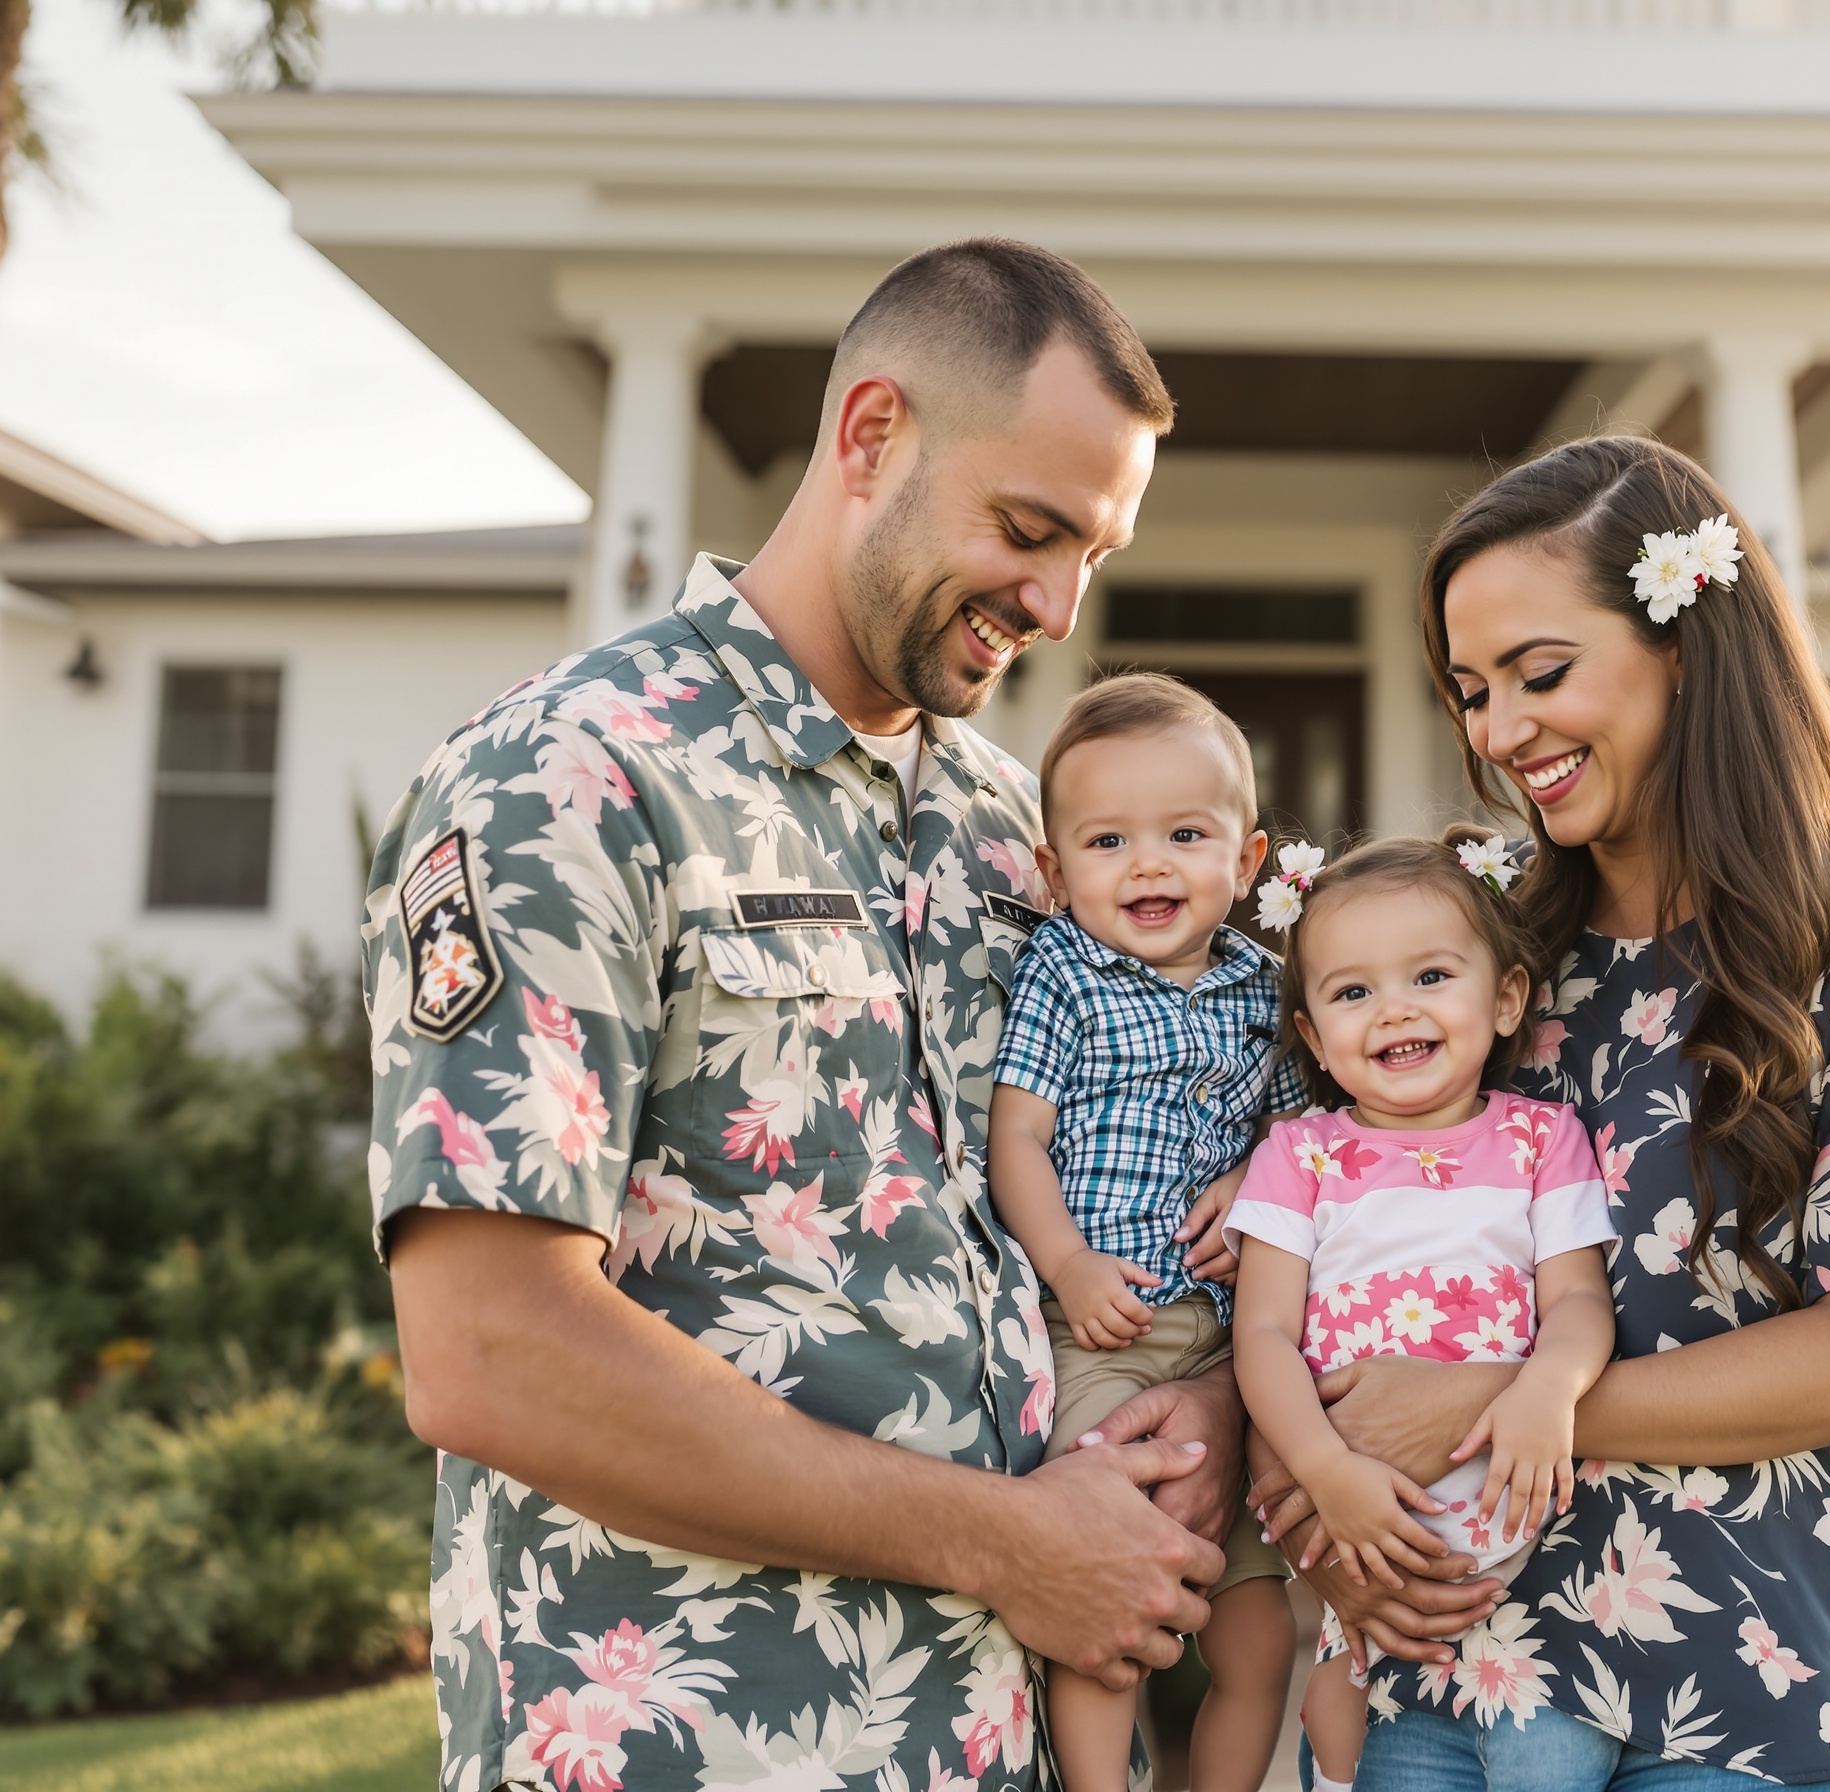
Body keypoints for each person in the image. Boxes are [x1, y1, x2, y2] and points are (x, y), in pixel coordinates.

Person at [367, 239, 1246, 1792]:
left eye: (1093, 557)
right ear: (870, 437)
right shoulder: (569, 777)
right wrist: (1004, 1545)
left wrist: (1209, 1409)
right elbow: (488, 1348)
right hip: (686, 1747)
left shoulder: (1014, 834)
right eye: (1031, 529)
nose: (1055, 605)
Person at [1247, 436, 1830, 1792]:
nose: (1499, 735)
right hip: (1459, 1682)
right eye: (1472, 691)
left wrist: (1487, 1409)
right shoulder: (1482, 922)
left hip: (1762, 1701)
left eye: (1541, 675)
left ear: (1688, 639)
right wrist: (1329, 1499)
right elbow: (1318, 1242)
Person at [1229, 831, 1618, 1792]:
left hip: (1534, 1579)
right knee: (1362, 1761)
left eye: (1431, 975)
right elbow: (1264, 1334)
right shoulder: (1300, 1155)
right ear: (1315, 1037)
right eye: (1352, 992)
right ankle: (1342, 1663)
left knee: (1551, 1766)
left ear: (1507, 999)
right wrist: (1323, 1471)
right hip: (1361, 1533)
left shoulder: (1540, 1139)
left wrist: (1546, 1394)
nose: (1393, 1008)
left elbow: (1577, 1301)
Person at [987, 672, 1303, 1792]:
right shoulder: (1063, 973)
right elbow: (1016, 1134)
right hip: (1104, 1334)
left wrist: (1263, 1175)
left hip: (1235, 1347)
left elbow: (1312, 1137)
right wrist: (1064, 1263)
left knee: (1258, 1636)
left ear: (1249, 858)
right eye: (1108, 840)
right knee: (1108, 1606)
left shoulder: (1268, 990)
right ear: (1055, 868)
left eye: (1184, 833)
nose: (1149, 864)